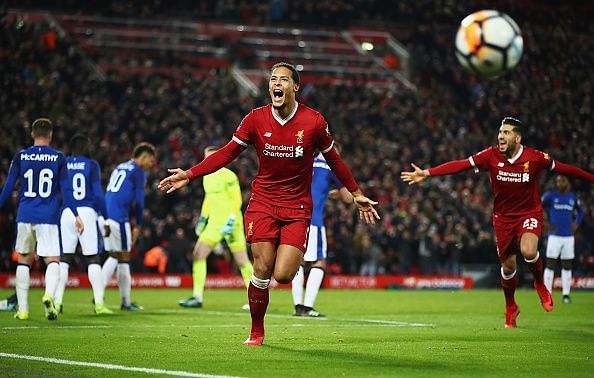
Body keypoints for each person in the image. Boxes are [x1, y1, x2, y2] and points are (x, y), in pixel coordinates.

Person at [158, 62, 379, 346]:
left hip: (298, 206)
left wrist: (355, 191)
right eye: (273, 79)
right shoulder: (255, 119)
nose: (277, 83)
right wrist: (190, 174)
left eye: (284, 79)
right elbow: (227, 153)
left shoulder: (314, 122)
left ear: (295, 87)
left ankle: (286, 264)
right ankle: (256, 330)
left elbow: (334, 159)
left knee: (284, 275)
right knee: (261, 269)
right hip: (263, 202)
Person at [401, 117, 594, 328]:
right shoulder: (490, 155)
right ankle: (511, 306)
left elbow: (565, 169)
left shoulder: (535, 158)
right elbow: (462, 165)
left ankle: (540, 283)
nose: (501, 136)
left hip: (528, 213)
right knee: (509, 266)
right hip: (502, 219)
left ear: (517, 138)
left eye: (506, 132)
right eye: (500, 132)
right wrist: (428, 173)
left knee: (529, 251)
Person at [0, 118, 83, 320]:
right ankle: (48, 295)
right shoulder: (58, 157)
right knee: (53, 259)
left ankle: (24, 309)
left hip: (26, 215)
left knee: (24, 259)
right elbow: (67, 191)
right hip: (48, 216)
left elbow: (8, 187)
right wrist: (76, 214)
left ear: (32, 134)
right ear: (50, 135)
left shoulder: (21, 156)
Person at [178, 146, 254, 309]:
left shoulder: (229, 175)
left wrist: (232, 219)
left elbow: (237, 199)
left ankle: (255, 298)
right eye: (206, 158)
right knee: (198, 254)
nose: (208, 161)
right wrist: (203, 219)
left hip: (231, 224)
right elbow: (208, 198)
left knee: (241, 261)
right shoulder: (206, 176)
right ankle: (197, 297)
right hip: (214, 224)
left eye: (211, 158)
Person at [54, 134, 113, 315]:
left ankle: (57, 302)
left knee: (64, 259)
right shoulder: (91, 164)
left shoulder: (63, 163)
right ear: (86, 147)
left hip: (67, 213)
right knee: (93, 258)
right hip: (86, 212)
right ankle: (99, 304)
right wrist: (106, 217)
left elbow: (58, 191)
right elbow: (98, 194)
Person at [292, 151, 352, 317]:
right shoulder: (331, 167)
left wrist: (328, 192)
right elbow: (348, 198)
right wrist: (340, 192)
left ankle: (298, 305)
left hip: (294, 218)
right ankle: (308, 306)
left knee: (298, 261)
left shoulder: (304, 161)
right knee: (319, 261)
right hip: (313, 221)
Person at [102, 142, 156, 311]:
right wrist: (138, 225)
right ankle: (121, 301)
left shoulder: (120, 167)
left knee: (116, 255)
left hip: (107, 215)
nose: (151, 165)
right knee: (122, 256)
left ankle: (100, 296)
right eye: (150, 161)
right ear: (144, 157)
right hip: (119, 218)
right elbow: (139, 202)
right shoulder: (138, 171)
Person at [542, 175, 584, 304]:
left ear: (567, 182)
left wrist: (577, 223)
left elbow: (581, 212)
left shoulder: (573, 198)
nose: (560, 183)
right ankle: (547, 294)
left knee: (567, 265)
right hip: (554, 236)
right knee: (550, 264)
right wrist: (545, 223)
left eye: (562, 180)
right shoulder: (550, 196)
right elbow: (538, 206)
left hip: (568, 236)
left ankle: (566, 294)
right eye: (558, 181)